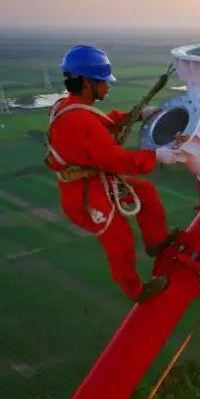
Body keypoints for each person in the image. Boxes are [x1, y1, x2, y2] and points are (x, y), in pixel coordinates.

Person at [45, 44, 185, 302]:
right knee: (118, 239)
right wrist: (157, 156)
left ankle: (156, 241)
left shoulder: (71, 107)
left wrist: (139, 115)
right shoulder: (78, 120)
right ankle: (136, 291)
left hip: (92, 181)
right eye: (103, 82)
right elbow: (116, 160)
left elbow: (102, 123)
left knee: (146, 193)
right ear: (87, 82)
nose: (108, 87)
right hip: (84, 195)